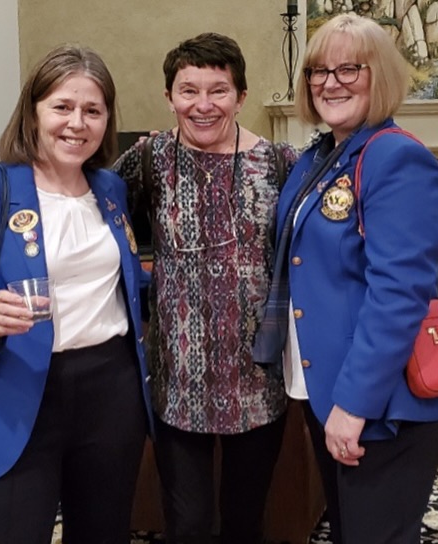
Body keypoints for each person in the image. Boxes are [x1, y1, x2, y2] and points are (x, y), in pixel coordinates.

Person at [0, 44, 151, 544]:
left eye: (92, 110)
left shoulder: (110, 190)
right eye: (62, 107)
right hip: (17, 387)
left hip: (111, 391)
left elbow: (122, 282)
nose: (77, 123)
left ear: (107, 120)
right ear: (33, 111)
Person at [265, 13, 438, 544]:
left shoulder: (396, 158)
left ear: (381, 76)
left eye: (350, 69)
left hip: (377, 404)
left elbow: (399, 295)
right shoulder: (320, 158)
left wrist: (354, 405)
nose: (330, 82)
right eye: (318, 71)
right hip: (326, 390)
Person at [112, 32, 297, 544]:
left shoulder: (282, 164)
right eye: (188, 90)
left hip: (259, 383)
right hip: (178, 383)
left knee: (245, 521)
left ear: (241, 97)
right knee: (187, 524)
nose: (203, 105)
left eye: (218, 91)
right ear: (169, 96)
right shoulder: (148, 159)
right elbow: (92, 214)